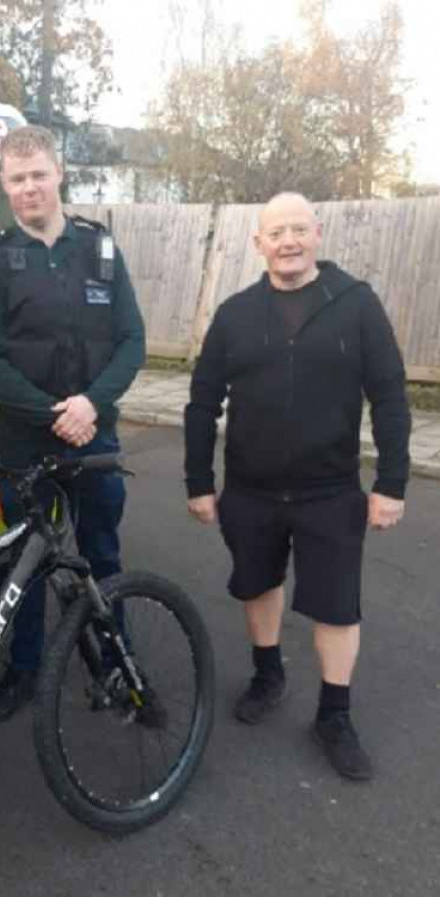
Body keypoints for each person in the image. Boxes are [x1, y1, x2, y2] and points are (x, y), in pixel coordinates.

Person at [184, 192, 410, 781]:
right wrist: (198, 481)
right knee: (257, 586)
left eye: (297, 230)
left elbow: (389, 397)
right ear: (258, 243)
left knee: (337, 606)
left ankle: (334, 716)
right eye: (275, 232)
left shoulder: (356, 304)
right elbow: (202, 402)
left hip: (330, 491)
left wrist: (391, 482)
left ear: (317, 234)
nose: (288, 241)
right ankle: (268, 674)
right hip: (251, 490)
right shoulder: (235, 313)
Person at [0, 125, 145, 724]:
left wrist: (90, 405)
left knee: (101, 550)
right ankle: (24, 670)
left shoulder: (100, 250)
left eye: (39, 174)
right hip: (26, 442)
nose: (29, 188)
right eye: (17, 179)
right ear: (4, 184)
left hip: (95, 436)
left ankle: (116, 660)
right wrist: (53, 413)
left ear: (59, 173)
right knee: (27, 566)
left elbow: (131, 340)